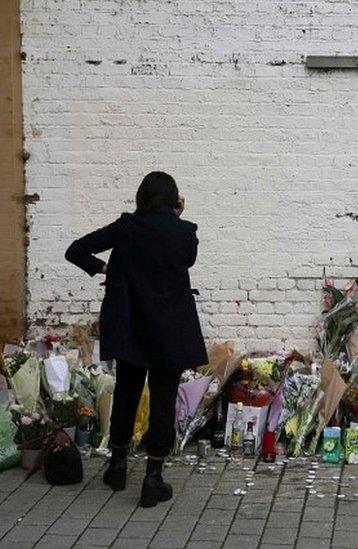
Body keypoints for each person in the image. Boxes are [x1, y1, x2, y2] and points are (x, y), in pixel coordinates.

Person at [65, 171, 207, 507]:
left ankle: (117, 467)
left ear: (141, 197)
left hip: (130, 329)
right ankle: (153, 478)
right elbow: (186, 259)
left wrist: (104, 269)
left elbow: (76, 250)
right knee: (162, 403)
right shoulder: (184, 232)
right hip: (169, 331)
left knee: (127, 396)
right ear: (175, 200)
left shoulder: (126, 228)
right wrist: (177, 216)